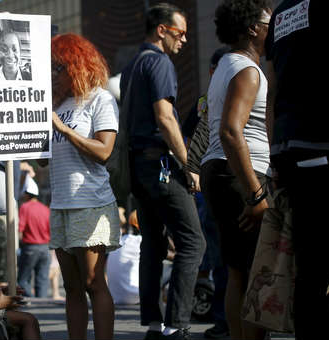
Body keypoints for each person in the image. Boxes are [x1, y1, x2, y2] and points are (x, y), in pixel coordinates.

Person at [119, 3, 206, 339]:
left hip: (138, 166)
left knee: (152, 242)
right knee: (193, 242)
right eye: (179, 32)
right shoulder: (159, 62)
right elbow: (165, 117)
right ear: (161, 30)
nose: (183, 40)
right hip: (161, 165)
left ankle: (155, 325)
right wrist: (189, 165)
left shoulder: (131, 67)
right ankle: (177, 325)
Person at [264, 1, 329, 339]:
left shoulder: (281, 15)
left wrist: (274, 155)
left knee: (312, 264)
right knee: (317, 264)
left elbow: (272, 91)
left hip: (289, 146)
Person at [200, 1, 272, 339]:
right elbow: (231, 130)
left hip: (220, 172)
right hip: (241, 175)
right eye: (267, 21)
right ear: (252, 29)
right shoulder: (247, 70)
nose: (273, 26)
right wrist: (256, 193)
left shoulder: (225, 65)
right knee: (257, 273)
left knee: (238, 272)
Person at [43, 33, 120, 340]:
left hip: (90, 202)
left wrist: (61, 128)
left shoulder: (100, 99)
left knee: (93, 282)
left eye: (57, 67)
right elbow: (42, 162)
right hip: (60, 203)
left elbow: (104, 151)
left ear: (76, 65)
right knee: (72, 287)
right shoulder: (58, 104)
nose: (52, 74)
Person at [182, 46, 231, 339]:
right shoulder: (238, 89)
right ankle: (227, 320)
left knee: (221, 257)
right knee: (225, 257)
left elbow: (189, 137)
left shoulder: (207, 99)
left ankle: (225, 320)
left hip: (212, 182)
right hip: (225, 180)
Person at [17, 176, 51, 298]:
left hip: (30, 248)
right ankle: (41, 304)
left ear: (26, 194)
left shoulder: (25, 207)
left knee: (22, 280)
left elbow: (20, 229)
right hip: (46, 248)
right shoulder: (45, 209)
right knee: (42, 279)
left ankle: (30, 301)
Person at [106, 210, 141, 305]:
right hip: (134, 297)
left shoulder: (121, 241)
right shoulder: (140, 242)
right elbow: (172, 255)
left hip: (115, 297)